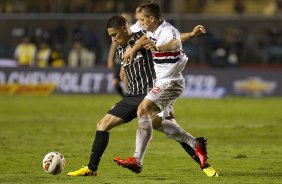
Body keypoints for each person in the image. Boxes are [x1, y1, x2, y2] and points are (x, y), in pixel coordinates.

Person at [67, 15, 215, 177]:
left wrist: (191, 35)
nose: (113, 39)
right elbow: (127, 71)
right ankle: (91, 169)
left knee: (167, 128)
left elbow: (171, 40)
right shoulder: (120, 50)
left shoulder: (141, 36)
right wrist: (124, 82)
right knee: (103, 124)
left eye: (115, 35)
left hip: (152, 92)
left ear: (124, 29)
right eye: (110, 36)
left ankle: (205, 165)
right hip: (133, 96)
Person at [113, 2, 218, 177]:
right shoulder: (153, 30)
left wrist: (159, 48)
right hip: (163, 81)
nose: (140, 23)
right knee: (155, 122)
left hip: (170, 81)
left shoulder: (167, 31)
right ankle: (195, 143)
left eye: (142, 20)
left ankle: (137, 160)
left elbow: (175, 43)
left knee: (142, 110)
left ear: (151, 18)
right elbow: (145, 38)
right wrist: (134, 48)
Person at [107, 9, 143, 97]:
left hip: (134, 58)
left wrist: (134, 49)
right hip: (122, 57)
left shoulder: (134, 29)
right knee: (117, 80)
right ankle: (127, 98)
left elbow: (146, 36)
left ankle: (129, 98)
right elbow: (113, 45)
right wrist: (110, 59)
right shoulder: (118, 33)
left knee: (126, 77)